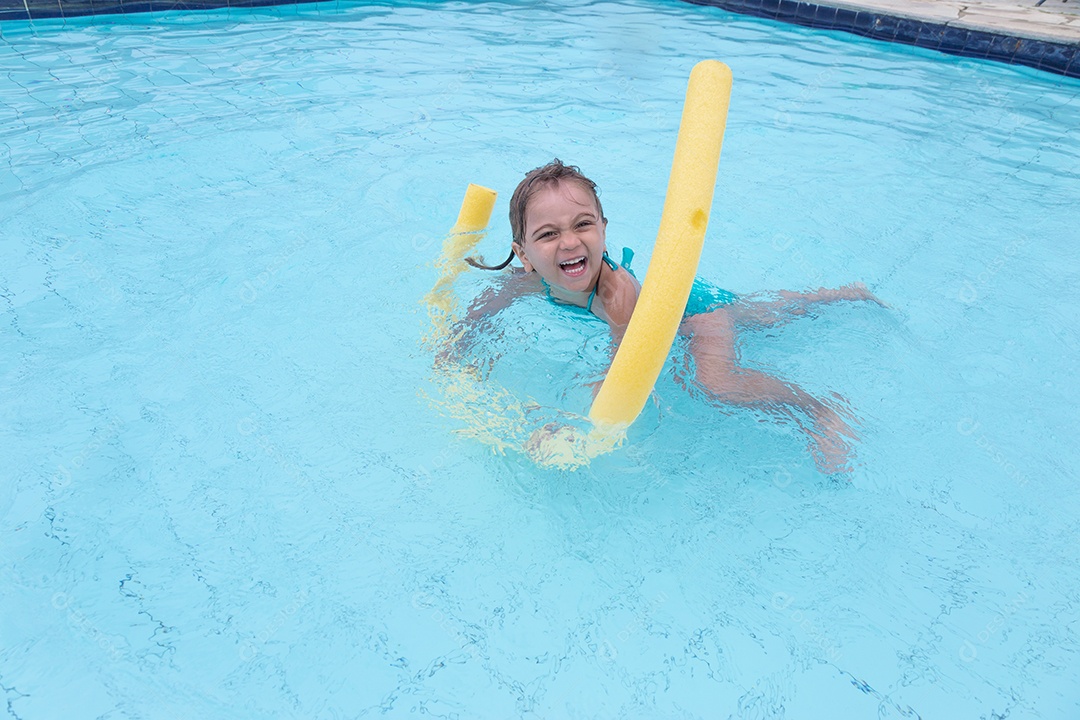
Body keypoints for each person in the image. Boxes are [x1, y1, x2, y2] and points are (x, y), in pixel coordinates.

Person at [457, 159, 883, 474]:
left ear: (603, 230)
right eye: (548, 234)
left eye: (582, 224)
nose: (569, 242)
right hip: (680, 299)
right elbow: (475, 322)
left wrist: (577, 424)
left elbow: (624, 373)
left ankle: (820, 409)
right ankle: (838, 296)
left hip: (695, 310)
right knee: (765, 314)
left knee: (714, 382)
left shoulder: (616, 293)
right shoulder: (522, 281)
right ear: (523, 254)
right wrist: (455, 354)